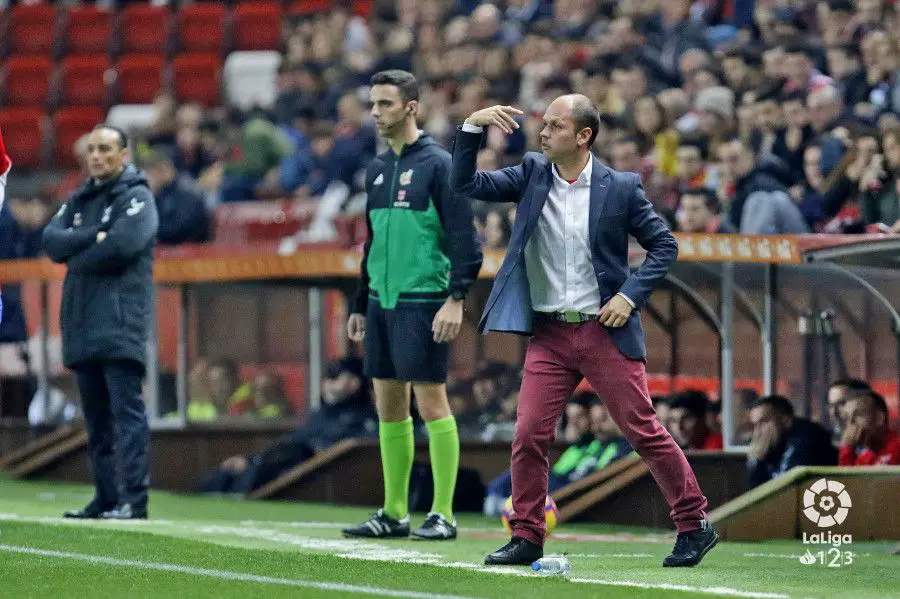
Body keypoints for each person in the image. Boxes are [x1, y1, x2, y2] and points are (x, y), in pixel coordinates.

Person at [451, 96, 716, 568]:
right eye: (544, 124)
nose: (543, 133)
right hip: (550, 333)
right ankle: (528, 535)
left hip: (603, 330)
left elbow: (663, 246)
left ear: (583, 136)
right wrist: (471, 127)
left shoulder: (622, 188)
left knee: (643, 431)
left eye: (555, 126)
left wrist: (629, 296)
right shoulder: (531, 173)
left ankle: (694, 524)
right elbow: (464, 182)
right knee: (529, 432)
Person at [342, 70, 483, 541]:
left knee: (431, 403)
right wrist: (361, 303)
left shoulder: (440, 166)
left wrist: (455, 299)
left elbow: (466, 240)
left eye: (384, 104)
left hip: (425, 300)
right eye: (373, 104)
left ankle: (443, 513)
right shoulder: (377, 169)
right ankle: (394, 512)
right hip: (382, 302)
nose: (376, 113)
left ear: (411, 107)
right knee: (388, 408)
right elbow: (372, 241)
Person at [42, 125, 159, 520]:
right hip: (82, 322)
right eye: (91, 149)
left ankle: (134, 500)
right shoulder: (78, 199)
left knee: (126, 415)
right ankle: (106, 497)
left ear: (124, 155)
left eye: (105, 149)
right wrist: (96, 237)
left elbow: (124, 245)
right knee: (95, 420)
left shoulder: (138, 197)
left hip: (119, 321)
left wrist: (80, 249)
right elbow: (51, 241)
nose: (96, 156)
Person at [746, 395, 837, 488]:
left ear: (786, 420)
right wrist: (757, 459)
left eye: (764, 421)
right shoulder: (773, 444)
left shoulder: (804, 440)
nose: (757, 431)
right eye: (755, 424)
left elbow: (787, 489)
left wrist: (757, 459)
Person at [838, 390, 900, 466]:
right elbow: (846, 478)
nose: (850, 422)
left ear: (879, 418)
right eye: (846, 417)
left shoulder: (897, 447)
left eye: (858, 414)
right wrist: (847, 450)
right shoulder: (863, 458)